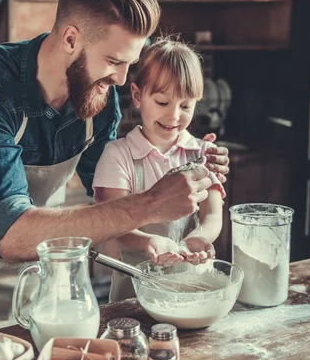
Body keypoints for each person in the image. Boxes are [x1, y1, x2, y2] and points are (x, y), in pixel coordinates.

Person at [0, 0, 229, 348]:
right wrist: (153, 203)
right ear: (71, 39)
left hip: (44, 291)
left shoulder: (99, 102)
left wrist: (186, 167)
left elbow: (112, 194)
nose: (123, 80)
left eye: (129, 63)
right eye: (113, 61)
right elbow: (10, 234)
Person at [92, 37, 225, 302]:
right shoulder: (118, 155)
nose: (174, 116)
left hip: (192, 286)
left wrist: (198, 238)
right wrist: (147, 242)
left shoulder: (201, 153)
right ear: (139, 95)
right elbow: (115, 225)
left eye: (186, 106)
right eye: (163, 103)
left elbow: (212, 215)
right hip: (134, 293)